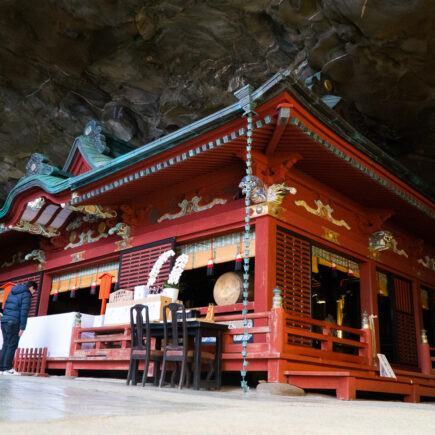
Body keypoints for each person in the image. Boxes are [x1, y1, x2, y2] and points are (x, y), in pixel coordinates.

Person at [0, 281, 37, 375]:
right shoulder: (26, 294)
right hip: (14, 322)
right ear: (32, 287)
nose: (33, 293)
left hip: (4, 321)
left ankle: (1, 369)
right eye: (34, 291)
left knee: (5, 344)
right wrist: (22, 328)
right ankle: (7, 368)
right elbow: (24, 312)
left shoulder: (13, 291)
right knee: (12, 344)